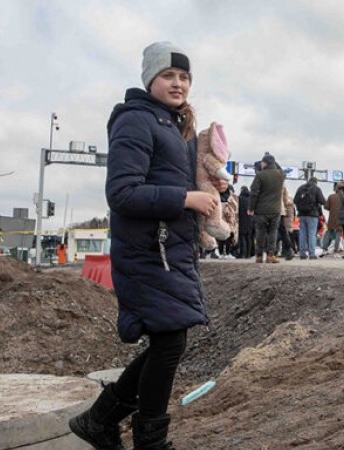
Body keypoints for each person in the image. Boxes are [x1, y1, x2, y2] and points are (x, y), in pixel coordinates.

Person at [72, 41, 214, 450]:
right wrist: (185, 198)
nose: (179, 83)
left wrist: (207, 189)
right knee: (170, 342)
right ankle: (143, 439)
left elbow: (171, 182)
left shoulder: (171, 124)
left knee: (170, 342)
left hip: (168, 250)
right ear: (150, 78)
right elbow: (122, 193)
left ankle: (101, 420)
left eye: (185, 77)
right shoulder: (136, 121)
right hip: (148, 252)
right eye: (169, 75)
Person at [249, 154, 285, 263]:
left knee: (260, 232)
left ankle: (259, 256)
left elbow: (254, 192)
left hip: (261, 210)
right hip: (275, 210)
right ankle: (271, 255)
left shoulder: (260, 175)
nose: (261, 163)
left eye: (262, 162)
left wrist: (251, 207)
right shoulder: (281, 175)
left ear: (265, 163)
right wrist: (274, 162)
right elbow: (280, 168)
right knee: (273, 232)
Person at [294, 177, 325, 259]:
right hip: (312, 215)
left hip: (301, 215)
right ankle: (311, 254)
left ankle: (302, 254)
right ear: (316, 182)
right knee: (312, 234)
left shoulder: (300, 188)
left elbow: (295, 200)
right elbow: (322, 201)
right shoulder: (316, 189)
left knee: (302, 234)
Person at [322, 182, 343, 256]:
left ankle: (324, 249)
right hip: (341, 219)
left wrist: (332, 208)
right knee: (338, 234)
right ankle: (336, 251)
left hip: (332, 218)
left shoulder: (331, 196)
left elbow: (326, 207)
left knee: (328, 233)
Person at [237, 186, 254, 258]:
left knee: (242, 237)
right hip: (250, 221)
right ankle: (248, 254)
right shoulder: (251, 200)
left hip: (242, 221)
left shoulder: (239, 199)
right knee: (249, 238)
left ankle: (242, 253)